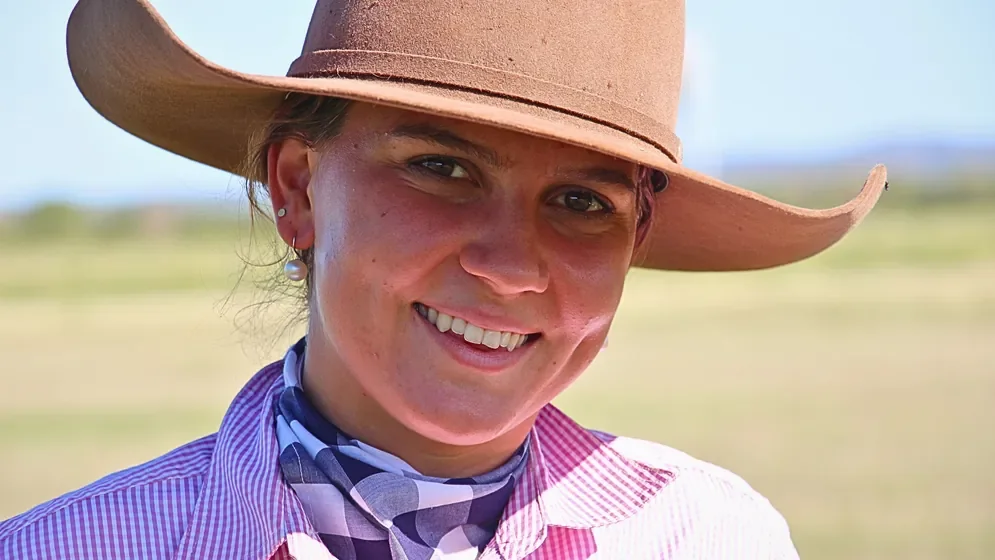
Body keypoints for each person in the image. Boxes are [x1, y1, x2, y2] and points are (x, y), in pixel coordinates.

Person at [0, 0, 887, 558]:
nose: (509, 268)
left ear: (633, 241)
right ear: (297, 189)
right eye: (441, 168)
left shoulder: (709, 538)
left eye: (582, 202)